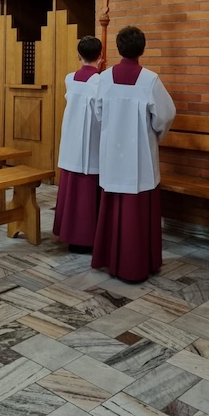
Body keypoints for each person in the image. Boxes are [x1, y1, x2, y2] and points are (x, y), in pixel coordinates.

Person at [91, 26, 176, 282]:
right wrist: (155, 135)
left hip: (112, 154)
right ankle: (138, 263)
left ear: (118, 48)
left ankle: (111, 259)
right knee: (137, 209)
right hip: (139, 156)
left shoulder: (104, 78)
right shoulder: (150, 80)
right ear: (142, 49)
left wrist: (112, 129)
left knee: (113, 204)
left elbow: (98, 112)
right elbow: (166, 115)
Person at [53, 35, 103, 253]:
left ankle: (69, 234)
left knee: (71, 191)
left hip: (71, 142)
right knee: (86, 194)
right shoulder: (100, 82)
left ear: (78, 56)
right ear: (100, 56)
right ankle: (87, 238)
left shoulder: (70, 78)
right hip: (91, 144)